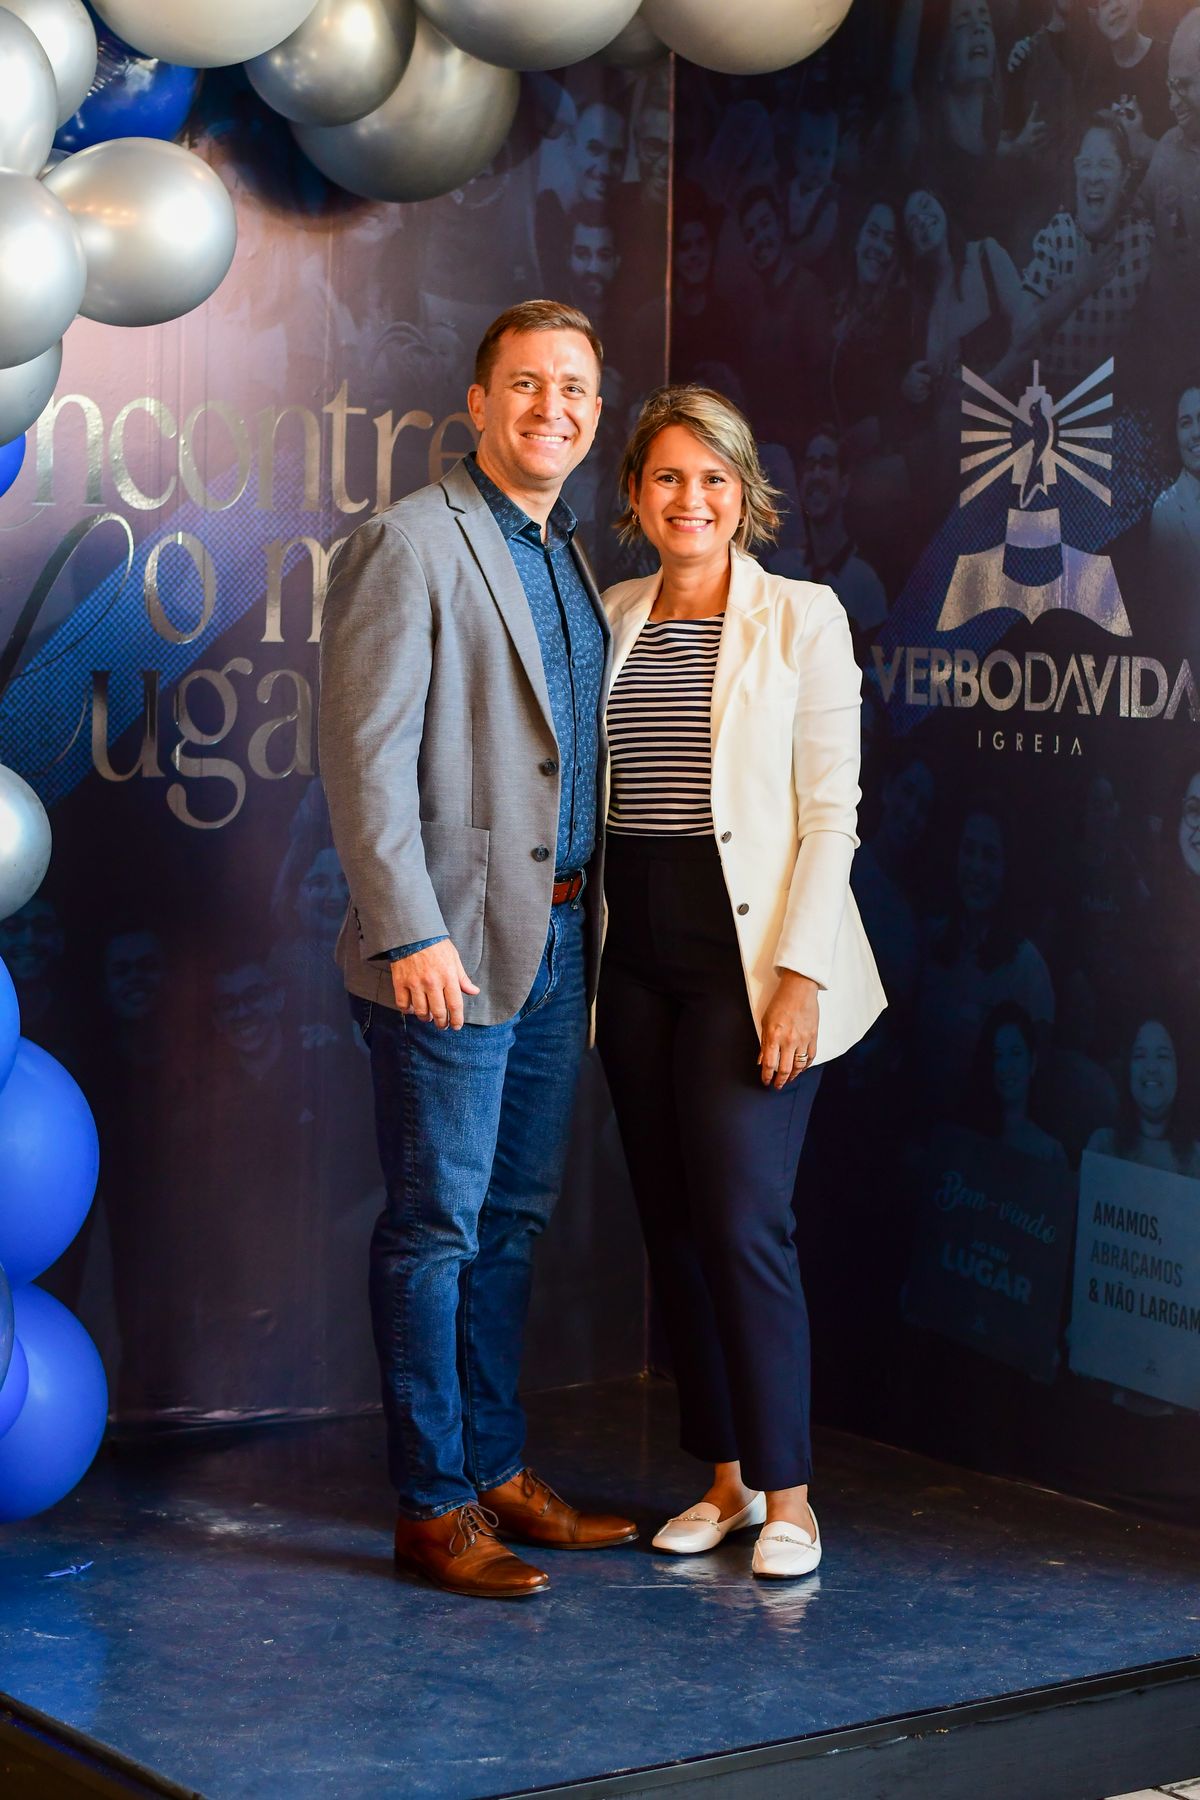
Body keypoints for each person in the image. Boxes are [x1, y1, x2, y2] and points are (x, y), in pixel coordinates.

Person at [319, 300, 636, 1601]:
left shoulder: (566, 554)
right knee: (436, 1229)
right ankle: (433, 1505)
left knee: (511, 1221)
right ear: (478, 402)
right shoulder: (410, 541)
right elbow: (362, 759)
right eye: (526, 385)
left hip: (557, 939)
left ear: (595, 414)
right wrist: (408, 929)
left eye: (574, 389)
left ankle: (496, 1468)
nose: (551, 407)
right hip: (444, 952)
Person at [596, 384, 886, 1580]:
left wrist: (802, 977)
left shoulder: (802, 617)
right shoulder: (610, 613)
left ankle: (792, 1500)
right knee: (671, 1225)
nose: (691, 499)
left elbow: (832, 814)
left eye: (713, 478)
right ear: (634, 495)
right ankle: (721, 1481)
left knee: (743, 1221)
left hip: (753, 960)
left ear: (745, 494)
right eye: (668, 477)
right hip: (632, 960)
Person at [1016, 113, 1154, 382]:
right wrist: (1079, 285)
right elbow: (1023, 331)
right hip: (1056, 390)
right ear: (1075, 170)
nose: (1093, 176)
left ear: (1125, 175)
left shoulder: (1141, 240)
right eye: (1085, 164)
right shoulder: (1056, 236)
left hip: (1118, 391)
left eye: (1105, 165)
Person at [1086, 1014, 1200, 1178]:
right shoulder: (1103, 1146)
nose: (1151, 1068)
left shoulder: (1197, 1160)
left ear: (1179, 1069)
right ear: (1128, 1070)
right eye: (1140, 1055)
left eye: (1162, 1056)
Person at [965, 1001, 1068, 1165]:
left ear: (1032, 1062)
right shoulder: (966, 1135)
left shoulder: (1050, 1152)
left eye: (1015, 1053)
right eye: (998, 1055)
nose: (1005, 1067)